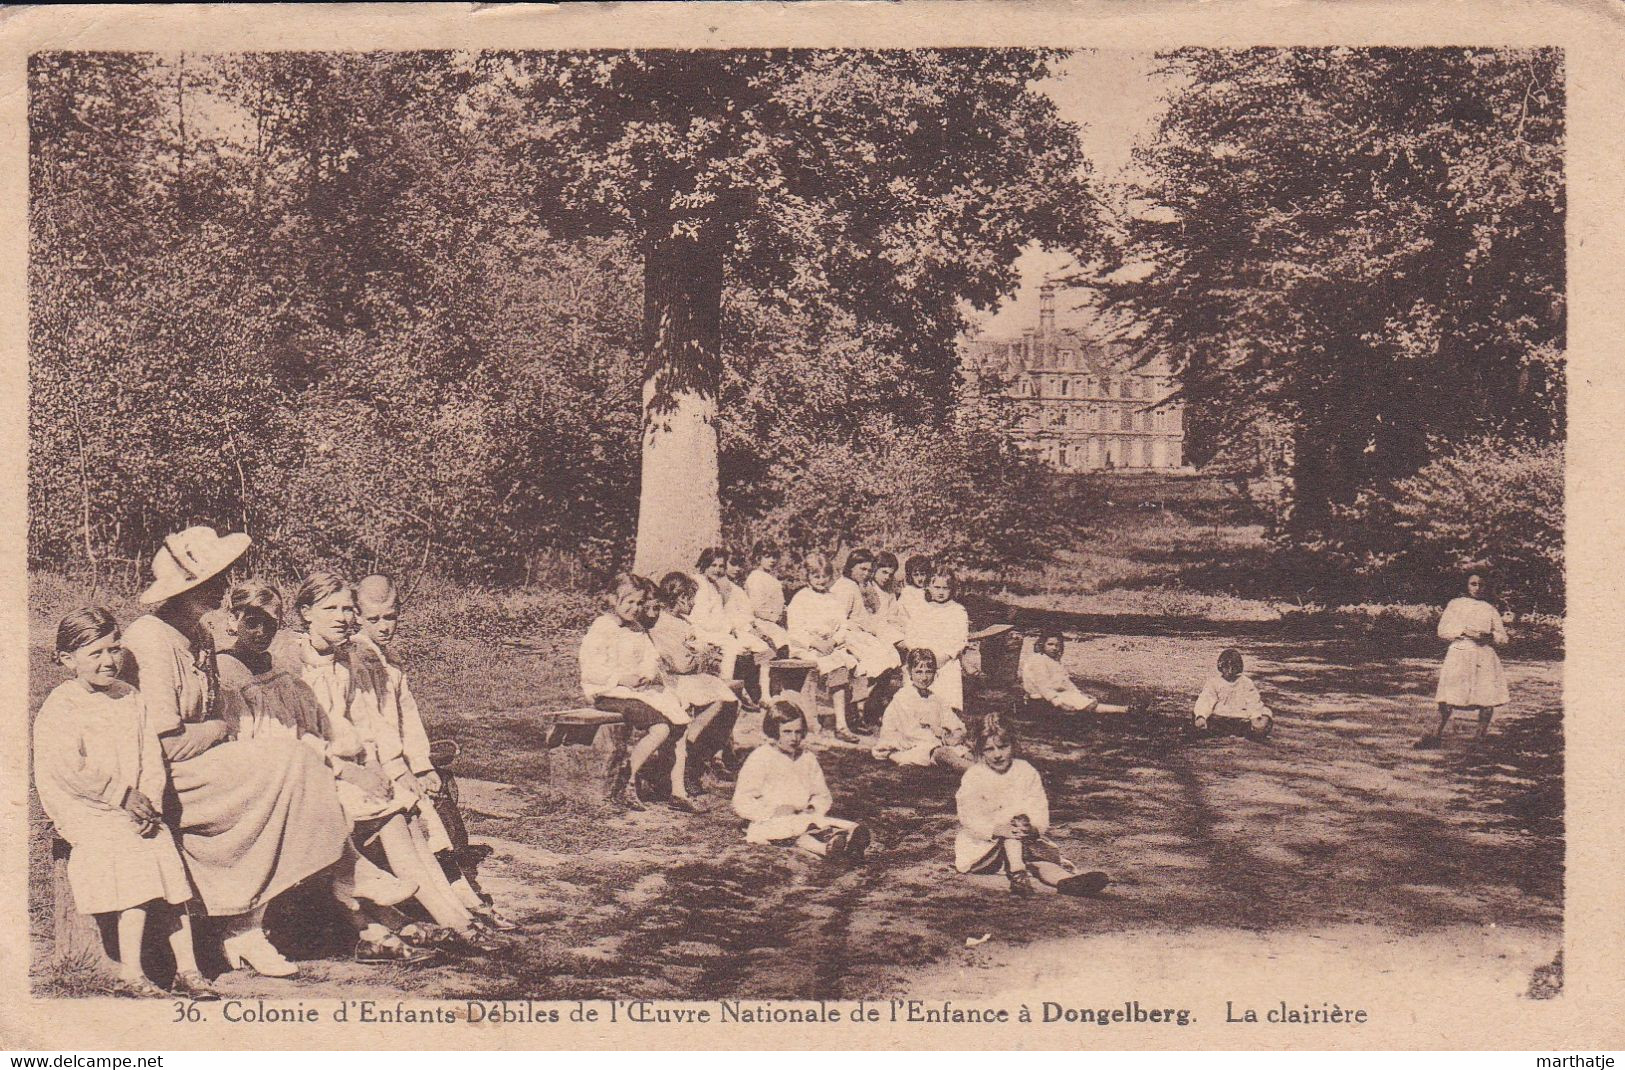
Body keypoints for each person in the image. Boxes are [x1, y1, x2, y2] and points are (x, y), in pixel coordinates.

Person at [119, 527, 347, 979]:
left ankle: (253, 920)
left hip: (206, 760)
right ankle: (244, 926)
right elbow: (167, 742)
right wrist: (220, 728)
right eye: (212, 581)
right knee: (282, 766)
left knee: (295, 759)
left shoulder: (197, 635)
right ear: (186, 591)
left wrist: (219, 730)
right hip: (169, 773)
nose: (223, 588)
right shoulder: (150, 637)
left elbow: (212, 715)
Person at [216, 581, 436, 966]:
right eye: (251, 622)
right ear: (233, 621)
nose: (261, 632)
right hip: (252, 773)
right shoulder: (228, 670)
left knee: (351, 796)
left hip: (295, 767)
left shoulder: (276, 671)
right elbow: (245, 738)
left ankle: (375, 921)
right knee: (322, 801)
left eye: (270, 623)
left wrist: (343, 762)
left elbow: (306, 731)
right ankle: (357, 891)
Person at [279, 572, 497, 948]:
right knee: (393, 814)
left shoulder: (346, 661)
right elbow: (298, 738)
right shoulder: (292, 664)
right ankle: (454, 919)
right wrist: (354, 772)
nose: (342, 617)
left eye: (348, 609)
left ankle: (454, 914)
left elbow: (365, 724)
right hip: (312, 773)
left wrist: (378, 766)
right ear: (305, 612)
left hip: (351, 770)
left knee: (406, 811)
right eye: (330, 609)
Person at [34, 609, 218, 999]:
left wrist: (148, 798)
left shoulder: (130, 697)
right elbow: (69, 768)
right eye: (95, 653)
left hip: (134, 805)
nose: (108, 661)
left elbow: (150, 756)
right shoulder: (63, 705)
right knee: (133, 856)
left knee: (164, 853)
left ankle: (188, 968)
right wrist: (122, 796)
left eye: (114, 649)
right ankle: (131, 972)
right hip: (86, 807)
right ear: (68, 659)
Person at [352, 575, 517, 932]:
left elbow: (406, 716)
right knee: (423, 817)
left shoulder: (388, 659)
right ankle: (461, 903)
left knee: (435, 814)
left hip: (397, 759)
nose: (384, 627)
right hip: (373, 764)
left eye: (390, 617)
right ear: (357, 616)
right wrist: (400, 768)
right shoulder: (360, 658)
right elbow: (374, 726)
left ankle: (469, 901)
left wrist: (422, 763)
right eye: (374, 619)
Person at [954, 716, 1108, 898]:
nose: (997, 754)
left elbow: (1038, 807)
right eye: (989, 749)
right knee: (1014, 841)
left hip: (1023, 840)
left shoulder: (1025, 771)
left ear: (1013, 744)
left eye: (1003, 747)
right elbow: (969, 817)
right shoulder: (975, 776)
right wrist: (996, 829)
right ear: (980, 751)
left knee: (1040, 861)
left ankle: (1065, 881)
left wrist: (1033, 827)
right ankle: (1018, 873)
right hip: (985, 847)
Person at [578, 573, 691, 811]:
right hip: (608, 692)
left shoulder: (637, 628)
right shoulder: (602, 628)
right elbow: (591, 668)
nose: (635, 608)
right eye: (628, 602)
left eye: (639, 603)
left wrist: (647, 674)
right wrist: (619, 678)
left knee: (679, 722)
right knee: (660, 728)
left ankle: (674, 788)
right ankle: (627, 780)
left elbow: (650, 657)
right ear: (612, 599)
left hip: (636, 691)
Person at [731, 699, 871, 861]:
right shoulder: (761, 757)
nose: (794, 738)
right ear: (774, 732)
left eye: (798, 732)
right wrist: (770, 812)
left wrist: (813, 807)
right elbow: (741, 800)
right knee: (791, 830)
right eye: (787, 732)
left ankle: (847, 841)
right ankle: (828, 848)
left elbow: (822, 794)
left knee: (824, 824)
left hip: (804, 815)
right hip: (772, 820)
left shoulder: (807, 758)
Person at [651, 571, 739, 810]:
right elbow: (680, 664)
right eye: (690, 598)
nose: (692, 604)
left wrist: (703, 655)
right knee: (719, 699)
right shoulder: (662, 624)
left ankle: (696, 749)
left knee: (729, 700)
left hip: (690, 677)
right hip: (673, 681)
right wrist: (703, 657)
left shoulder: (683, 622)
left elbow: (692, 654)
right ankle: (690, 751)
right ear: (678, 598)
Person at [1418, 571, 1510, 748]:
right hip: (1460, 653)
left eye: (1481, 584)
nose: (1477, 588)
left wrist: (1489, 637)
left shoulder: (1490, 609)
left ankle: (1479, 738)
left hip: (1484, 656)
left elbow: (1503, 638)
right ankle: (1434, 735)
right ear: (1466, 586)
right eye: (1473, 584)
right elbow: (1442, 631)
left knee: (1486, 698)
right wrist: (1464, 632)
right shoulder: (1455, 605)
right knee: (1448, 697)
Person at [785, 552, 864, 743]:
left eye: (824, 577)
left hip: (829, 647)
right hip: (807, 646)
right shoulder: (801, 598)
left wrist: (834, 641)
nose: (821, 581)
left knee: (844, 668)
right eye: (816, 576)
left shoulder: (833, 599)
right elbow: (794, 630)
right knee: (818, 669)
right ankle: (813, 724)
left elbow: (843, 626)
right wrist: (815, 643)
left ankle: (841, 724)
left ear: (830, 577)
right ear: (808, 577)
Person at [871, 649, 972, 771]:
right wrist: (942, 738)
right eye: (919, 672)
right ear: (910, 672)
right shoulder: (904, 697)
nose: (924, 677)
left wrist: (957, 732)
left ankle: (986, 770)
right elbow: (911, 733)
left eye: (928, 672)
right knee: (943, 753)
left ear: (935, 673)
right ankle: (974, 771)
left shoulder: (935, 698)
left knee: (967, 752)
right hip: (904, 746)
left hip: (932, 742)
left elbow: (952, 721)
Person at [693, 547, 774, 687]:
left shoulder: (713, 585)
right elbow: (702, 619)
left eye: (721, 566)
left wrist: (732, 628)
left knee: (760, 646)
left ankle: (762, 694)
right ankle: (727, 687)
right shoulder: (699, 584)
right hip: (701, 630)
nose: (717, 570)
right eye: (713, 565)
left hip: (718, 630)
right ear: (704, 564)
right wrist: (727, 629)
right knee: (733, 647)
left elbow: (721, 615)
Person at [901, 568, 970, 714]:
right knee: (917, 695)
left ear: (952, 590)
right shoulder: (921, 609)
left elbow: (960, 639)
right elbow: (911, 634)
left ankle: (946, 722)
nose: (941, 592)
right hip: (921, 657)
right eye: (937, 587)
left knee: (944, 696)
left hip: (944, 659)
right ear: (928, 587)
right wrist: (918, 653)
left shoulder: (957, 611)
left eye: (945, 588)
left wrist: (946, 656)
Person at [830, 549, 904, 680]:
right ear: (851, 566)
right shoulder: (845, 587)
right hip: (847, 634)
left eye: (869, 571)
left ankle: (874, 689)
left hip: (859, 632)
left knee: (888, 653)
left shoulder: (855, 585)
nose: (866, 574)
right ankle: (863, 690)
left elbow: (864, 616)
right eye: (862, 569)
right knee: (878, 658)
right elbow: (837, 619)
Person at [1021, 632, 1134, 715]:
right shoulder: (1038, 660)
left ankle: (1125, 709)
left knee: (1086, 700)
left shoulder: (1052, 661)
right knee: (1086, 705)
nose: (1054, 648)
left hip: (1055, 694)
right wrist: (1058, 703)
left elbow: (1065, 681)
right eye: (1050, 644)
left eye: (1057, 645)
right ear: (1042, 644)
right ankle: (1124, 710)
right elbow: (1043, 686)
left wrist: (1078, 692)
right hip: (1041, 698)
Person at [1192, 649, 1273, 735]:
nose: (1230, 671)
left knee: (1265, 714)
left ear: (1238, 667)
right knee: (1200, 717)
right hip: (1220, 716)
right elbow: (1206, 699)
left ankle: (1250, 730)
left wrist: (1255, 717)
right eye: (1226, 667)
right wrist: (1201, 716)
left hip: (1241, 716)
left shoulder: (1246, 682)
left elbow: (1253, 701)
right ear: (1221, 667)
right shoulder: (1214, 682)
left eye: (1233, 667)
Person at [744, 540, 790, 650]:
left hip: (775, 622)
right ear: (758, 557)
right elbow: (756, 608)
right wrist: (775, 617)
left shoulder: (769, 577)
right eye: (767, 556)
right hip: (763, 623)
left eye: (774, 557)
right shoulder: (756, 577)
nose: (772, 560)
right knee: (784, 645)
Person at [897, 554, 934, 625]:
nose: (920, 578)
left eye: (922, 574)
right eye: (916, 575)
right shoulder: (908, 592)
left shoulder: (927, 589)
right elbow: (916, 617)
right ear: (910, 576)